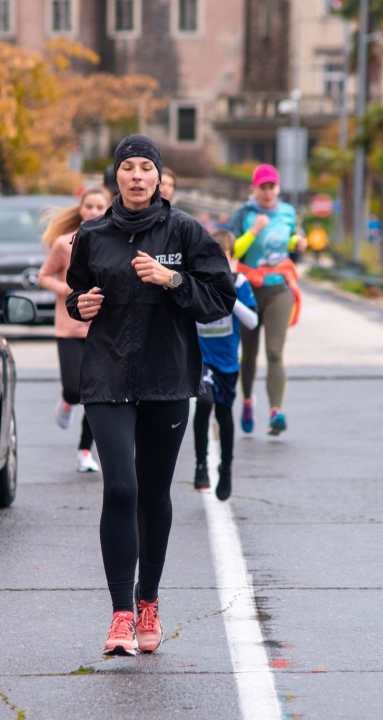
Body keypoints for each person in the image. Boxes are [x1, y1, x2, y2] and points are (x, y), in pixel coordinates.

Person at [66, 134, 235, 657]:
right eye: (128, 167)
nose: (137, 176)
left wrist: (172, 278)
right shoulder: (92, 234)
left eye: (146, 168)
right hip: (108, 375)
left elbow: (219, 299)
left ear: (159, 177)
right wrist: (81, 306)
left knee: (154, 493)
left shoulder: (184, 230)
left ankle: (148, 601)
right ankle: (119, 614)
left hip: (166, 376)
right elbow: (76, 293)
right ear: (114, 176)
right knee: (120, 488)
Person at [38, 186, 112, 473]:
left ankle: (84, 450)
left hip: (102, 330)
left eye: (99, 207)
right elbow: (44, 276)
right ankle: (67, 400)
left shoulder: (111, 242)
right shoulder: (63, 244)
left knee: (95, 393)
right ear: (81, 209)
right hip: (69, 328)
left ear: (108, 209)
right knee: (74, 388)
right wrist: (67, 290)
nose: (93, 211)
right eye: (89, 206)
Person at [230, 164, 304, 437]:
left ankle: (276, 412)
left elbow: (289, 241)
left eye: (272, 186)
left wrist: (298, 242)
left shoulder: (287, 212)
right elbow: (231, 250)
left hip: (278, 289)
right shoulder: (244, 214)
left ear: (278, 188)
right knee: (249, 355)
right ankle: (248, 402)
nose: (268, 191)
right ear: (255, 189)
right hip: (248, 290)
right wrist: (254, 231)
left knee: (274, 352)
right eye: (263, 186)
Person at [193, 229, 258, 501]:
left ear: (233, 258)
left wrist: (228, 298)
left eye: (225, 256)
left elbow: (253, 322)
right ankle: (200, 466)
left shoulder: (239, 282)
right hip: (201, 359)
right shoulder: (197, 280)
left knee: (223, 414)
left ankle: (226, 468)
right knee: (204, 401)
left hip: (228, 364)